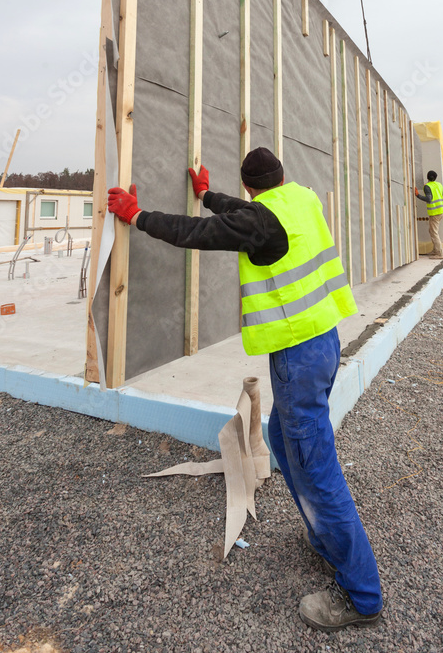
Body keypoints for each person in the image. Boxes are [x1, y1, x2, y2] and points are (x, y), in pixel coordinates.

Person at [107, 147, 383, 633]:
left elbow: (196, 233)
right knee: (282, 438)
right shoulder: (300, 198)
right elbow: (242, 213)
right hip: (321, 341)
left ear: (251, 187)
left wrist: (137, 215)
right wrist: (206, 194)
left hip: (298, 354)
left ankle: (361, 594)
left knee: (314, 465)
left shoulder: (258, 220)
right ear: (279, 178)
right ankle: (327, 538)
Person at [414, 169, 443, 258]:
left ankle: (439, 253)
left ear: (427, 177)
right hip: (440, 211)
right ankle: (435, 250)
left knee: (434, 233)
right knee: (432, 231)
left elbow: (429, 199)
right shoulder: (439, 185)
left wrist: (417, 195)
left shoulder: (427, 186)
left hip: (434, 213)